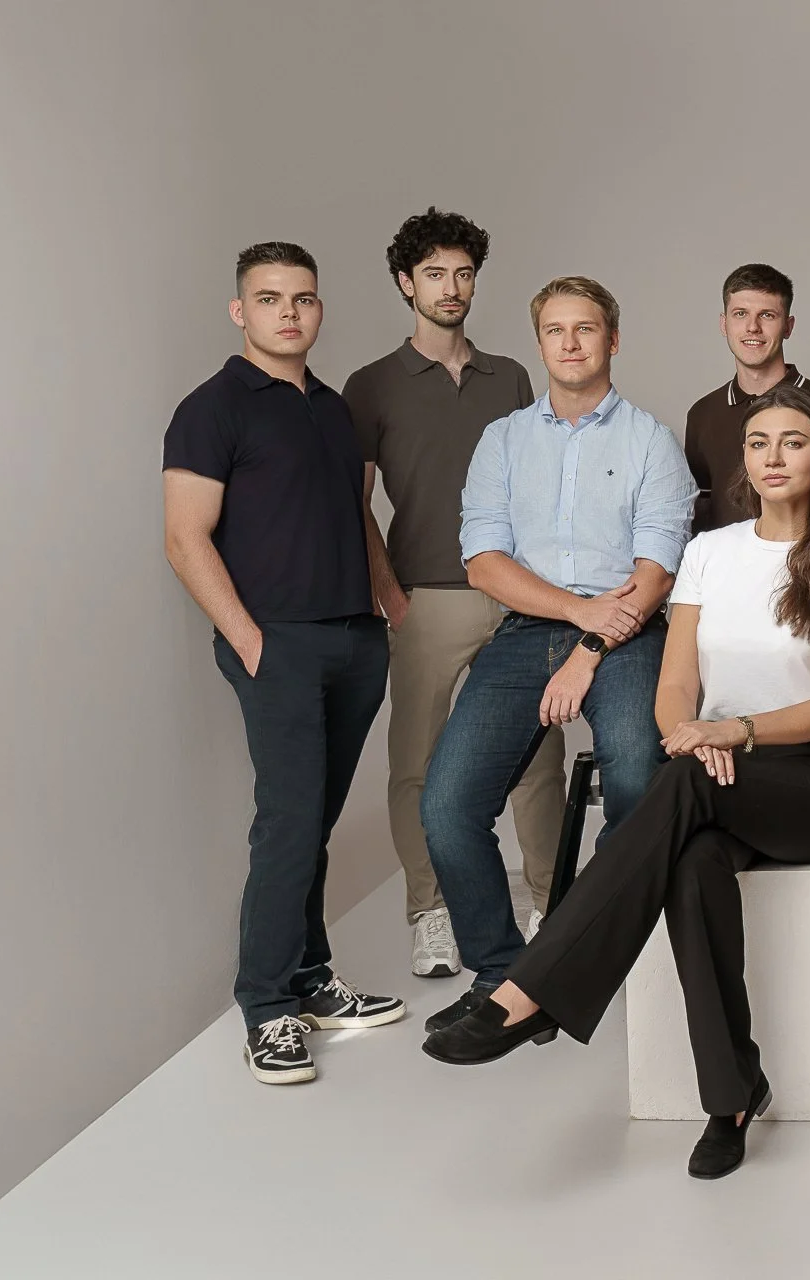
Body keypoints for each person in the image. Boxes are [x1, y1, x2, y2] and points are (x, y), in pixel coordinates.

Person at [423, 384, 810, 1182]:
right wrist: (687, 734)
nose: (773, 456)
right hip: (716, 767)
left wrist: (727, 732)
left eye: (793, 442)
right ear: (742, 461)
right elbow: (674, 685)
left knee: (684, 791)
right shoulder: (710, 553)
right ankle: (731, 1096)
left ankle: (529, 989)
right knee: (693, 860)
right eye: (758, 442)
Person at [417, 276, 696, 1034]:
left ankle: (581, 957)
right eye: (555, 331)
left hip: (630, 635)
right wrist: (576, 612)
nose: (571, 344)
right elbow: (483, 559)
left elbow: (656, 571)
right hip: (528, 631)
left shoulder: (650, 441)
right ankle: (507, 978)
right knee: (445, 807)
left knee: (639, 783)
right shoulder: (503, 440)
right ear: (540, 342)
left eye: (587, 329)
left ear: (613, 340)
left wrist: (592, 644)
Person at [162, 242, 403, 1086]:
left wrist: (390, 607)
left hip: (353, 640)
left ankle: (308, 977)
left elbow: (357, 514)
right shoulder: (213, 408)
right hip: (278, 643)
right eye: (269, 299)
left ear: (318, 309)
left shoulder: (333, 410)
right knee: (290, 823)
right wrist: (251, 639)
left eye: (302, 298)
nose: (288, 313)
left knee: (313, 824)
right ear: (242, 312)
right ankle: (267, 1008)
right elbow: (184, 537)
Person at [342, 207, 564, 978]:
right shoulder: (369, 385)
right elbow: (354, 498)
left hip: (517, 594)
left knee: (538, 755)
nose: (451, 287)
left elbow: (538, 488)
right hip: (426, 595)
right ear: (406, 284)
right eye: (435, 274)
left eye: (463, 273)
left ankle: (548, 904)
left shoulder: (511, 376)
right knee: (419, 761)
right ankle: (428, 913)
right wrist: (388, 595)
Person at [685, 263, 810, 534]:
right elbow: (700, 514)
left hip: (809, 571)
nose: (753, 327)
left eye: (767, 315)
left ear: (788, 326)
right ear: (723, 323)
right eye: (740, 314)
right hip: (727, 573)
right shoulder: (702, 415)